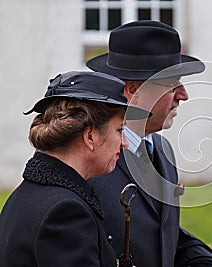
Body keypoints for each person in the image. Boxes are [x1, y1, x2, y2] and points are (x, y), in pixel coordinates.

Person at [86, 20, 212, 267]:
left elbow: (163, 231)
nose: (183, 95)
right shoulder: (89, 156)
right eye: (173, 84)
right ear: (133, 91)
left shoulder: (162, 149)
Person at [0, 71, 150, 266]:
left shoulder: (28, 194)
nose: (125, 143)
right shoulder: (65, 212)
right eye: (120, 130)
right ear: (90, 136)